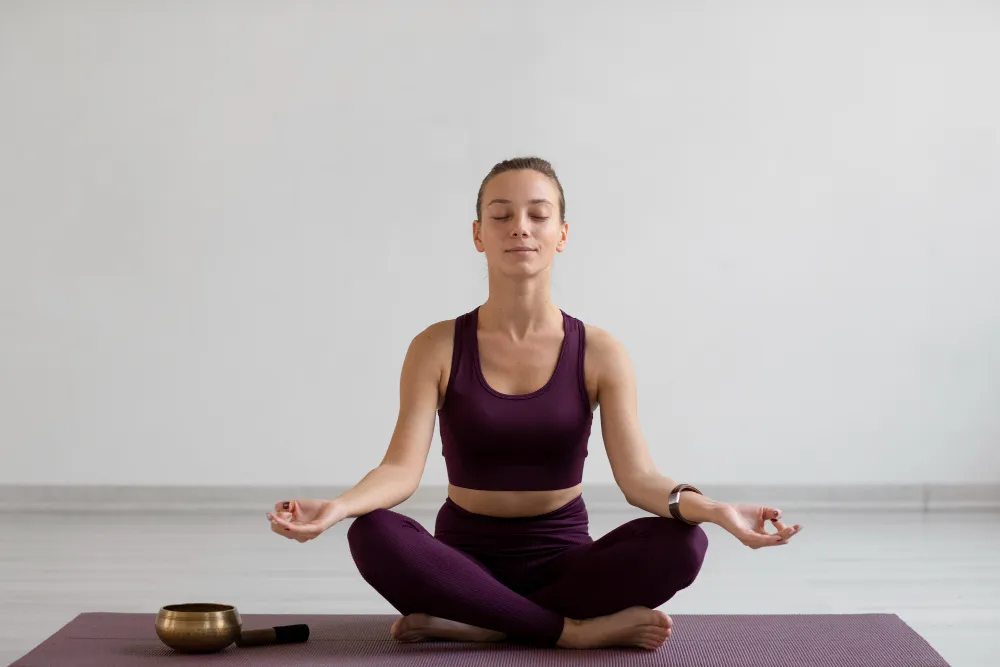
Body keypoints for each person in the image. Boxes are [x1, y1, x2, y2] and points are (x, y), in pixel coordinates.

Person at [266, 157, 803, 650]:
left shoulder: (600, 351)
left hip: (565, 565)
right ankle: (563, 631)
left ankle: (480, 622)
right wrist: (338, 507)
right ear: (478, 235)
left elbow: (639, 478)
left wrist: (715, 510)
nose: (519, 227)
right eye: (500, 216)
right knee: (373, 531)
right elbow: (399, 471)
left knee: (684, 545)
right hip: (460, 563)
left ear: (561, 234)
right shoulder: (436, 345)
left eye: (537, 215)